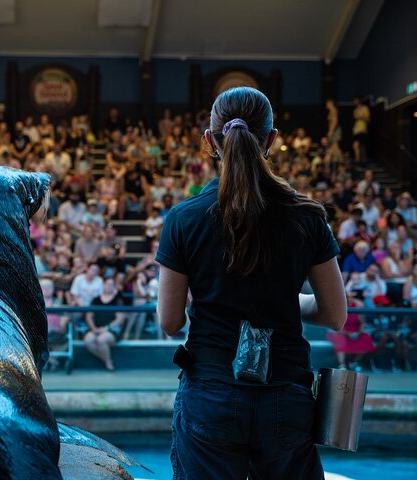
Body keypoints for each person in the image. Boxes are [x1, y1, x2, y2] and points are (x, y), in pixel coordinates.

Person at [157, 87, 346, 479]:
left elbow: (170, 321)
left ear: (211, 141)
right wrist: (290, 298)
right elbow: (334, 314)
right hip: (285, 395)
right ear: (272, 139)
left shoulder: (182, 219)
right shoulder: (308, 218)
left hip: (210, 393)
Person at [83, 278, 125, 371]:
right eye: (107, 284)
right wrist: (93, 328)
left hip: (111, 330)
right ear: (103, 285)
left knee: (101, 340)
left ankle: (108, 364)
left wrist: (106, 328)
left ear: (114, 287)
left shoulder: (118, 300)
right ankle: (107, 360)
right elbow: (89, 316)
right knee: (88, 340)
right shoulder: (96, 299)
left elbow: (120, 319)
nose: (108, 286)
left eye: (111, 285)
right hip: (95, 328)